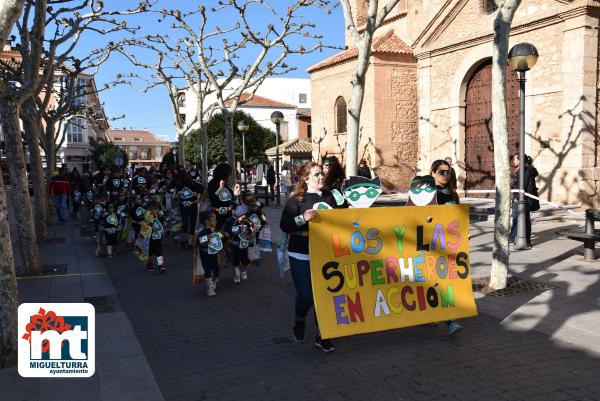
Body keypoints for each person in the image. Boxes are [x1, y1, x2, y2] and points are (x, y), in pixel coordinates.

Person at [280, 162, 338, 352]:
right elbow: (285, 225)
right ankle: (299, 319)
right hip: (301, 252)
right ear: (306, 178)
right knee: (306, 296)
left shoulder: (331, 197)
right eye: (316, 174)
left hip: (326, 253)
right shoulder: (296, 199)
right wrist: (302, 218)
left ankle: (324, 335)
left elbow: (345, 219)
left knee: (327, 295)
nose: (321, 177)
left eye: (322, 174)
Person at [430, 159, 462, 335]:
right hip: (429, 244)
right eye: (441, 172)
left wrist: (464, 232)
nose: (445, 176)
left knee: (446, 281)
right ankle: (431, 313)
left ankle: (450, 320)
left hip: (448, 244)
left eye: (448, 172)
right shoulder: (426, 194)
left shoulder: (452, 194)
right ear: (433, 173)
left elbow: (457, 217)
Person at [509, 154, 537, 249]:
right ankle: (523, 239)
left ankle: (514, 239)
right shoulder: (523, 170)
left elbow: (522, 186)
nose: (513, 161)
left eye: (515, 159)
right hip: (522, 199)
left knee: (519, 219)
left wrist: (514, 189)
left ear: (520, 160)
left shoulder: (525, 170)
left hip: (522, 199)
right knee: (522, 220)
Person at [225, 204, 256, 284]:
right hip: (234, 244)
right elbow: (227, 232)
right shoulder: (230, 221)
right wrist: (235, 230)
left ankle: (243, 270)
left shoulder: (247, 221)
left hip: (244, 244)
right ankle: (236, 275)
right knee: (235, 260)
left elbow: (252, 230)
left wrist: (251, 230)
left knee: (244, 259)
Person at [196, 211, 222, 296]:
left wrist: (222, 235)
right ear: (207, 221)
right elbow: (200, 242)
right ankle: (209, 288)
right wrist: (208, 237)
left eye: (215, 219)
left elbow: (219, 240)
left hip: (214, 254)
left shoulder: (214, 229)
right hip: (205, 254)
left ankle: (213, 282)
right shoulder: (203, 231)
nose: (216, 221)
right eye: (213, 219)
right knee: (207, 270)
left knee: (216, 271)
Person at [175, 170, 203, 249]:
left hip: (192, 205)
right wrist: (178, 195)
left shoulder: (193, 183)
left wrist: (198, 196)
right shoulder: (179, 184)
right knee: (185, 222)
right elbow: (176, 197)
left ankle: (190, 242)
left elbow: (202, 189)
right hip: (183, 205)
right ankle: (184, 240)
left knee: (193, 223)